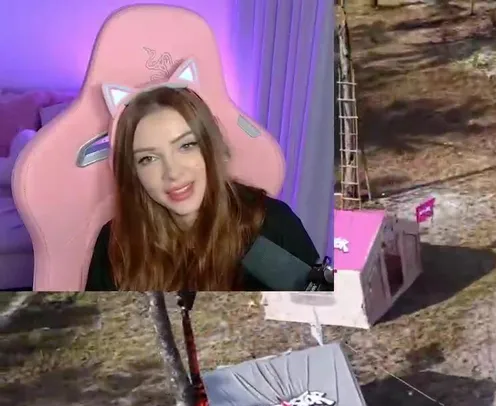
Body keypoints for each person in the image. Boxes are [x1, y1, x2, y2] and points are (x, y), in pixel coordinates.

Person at [86, 86, 321, 291]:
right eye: (148, 158)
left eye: (186, 146)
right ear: (133, 173)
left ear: (210, 146)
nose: (173, 172)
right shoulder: (115, 243)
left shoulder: (272, 226)